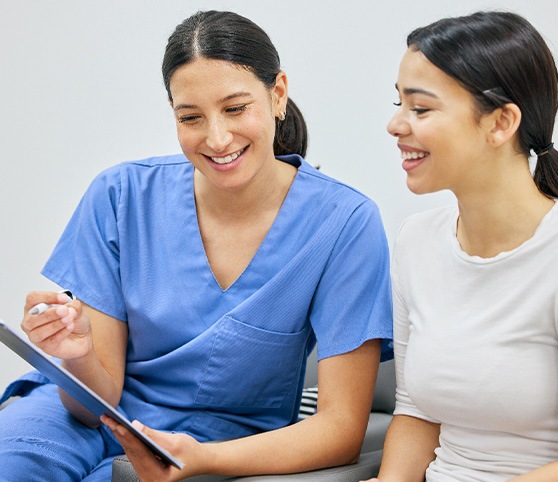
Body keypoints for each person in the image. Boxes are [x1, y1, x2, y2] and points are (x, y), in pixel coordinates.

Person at [0, 10, 393, 481]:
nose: (217, 138)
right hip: (79, 420)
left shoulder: (343, 223)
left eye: (235, 108)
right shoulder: (121, 196)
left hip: (220, 443)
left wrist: (203, 459)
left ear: (278, 94)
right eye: (191, 117)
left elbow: (341, 429)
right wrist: (77, 352)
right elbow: (92, 407)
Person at [364, 10, 558, 482]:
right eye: (398, 103)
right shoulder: (416, 241)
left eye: (421, 108)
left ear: (500, 123)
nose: (395, 125)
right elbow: (414, 410)